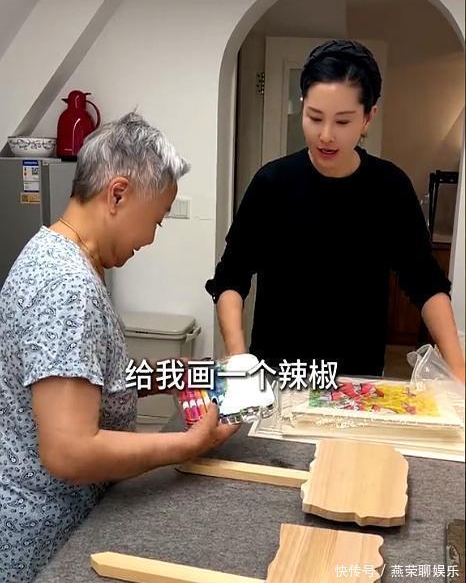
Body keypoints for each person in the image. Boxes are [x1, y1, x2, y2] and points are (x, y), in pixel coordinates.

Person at [0, 113, 238, 583]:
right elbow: (69, 451)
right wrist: (186, 444)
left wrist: (163, 376)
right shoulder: (65, 286)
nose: (149, 238)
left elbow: (84, 379)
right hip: (47, 541)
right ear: (117, 194)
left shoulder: (61, 255)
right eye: (156, 220)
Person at [206, 39, 464, 383]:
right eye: (314, 117)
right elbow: (231, 277)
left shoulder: (390, 188)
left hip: (356, 382)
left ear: (368, 117)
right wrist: (239, 359)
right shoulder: (272, 184)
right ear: (302, 106)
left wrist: (459, 371)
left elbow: (426, 283)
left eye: (342, 122)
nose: (325, 135)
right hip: (278, 376)